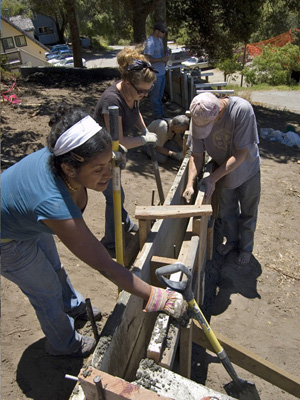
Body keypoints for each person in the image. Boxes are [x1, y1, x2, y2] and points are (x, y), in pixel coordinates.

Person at [1, 105, 187, 358]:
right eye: (98, 169)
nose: (109, 174)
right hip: (6, 241)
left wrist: (108, 159)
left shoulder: (64, 156)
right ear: (68, 169)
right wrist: (155, 295)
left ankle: (74, 306)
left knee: (55, 268)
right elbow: (104, 264)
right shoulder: (54, 203)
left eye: (109, 163)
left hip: (23, 218)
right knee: (46, 291)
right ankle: (63, 344)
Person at [182, 92, 261, 266]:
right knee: (227, 211)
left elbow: (240, 154)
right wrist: (189, 183)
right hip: (223, 172)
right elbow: (196, 155)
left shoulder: (241, 111)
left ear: (218, 113)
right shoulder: (199, 114)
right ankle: (232, 242)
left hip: (248, 170)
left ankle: (246, 248)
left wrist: (212, 179)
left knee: (248, 212)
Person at [94, 47, 158, 251]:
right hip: (100, 155)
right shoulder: (112, 100)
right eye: (142, 91)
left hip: (113, 154)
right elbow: (118, 141)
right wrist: (143, 139)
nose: (145, 95)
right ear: (128, 83)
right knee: (114, 196)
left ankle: (126, 223)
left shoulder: (133, 94)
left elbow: (136, 110)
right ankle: (111, 242)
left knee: (118, 193)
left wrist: (145, 129)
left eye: (149, 90)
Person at [144, 22, 169, 119]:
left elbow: (160, 54)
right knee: (155, 97)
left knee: (160, 96)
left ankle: (161, 114)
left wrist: (165, 54)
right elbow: (147, 58)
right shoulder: (150, 42)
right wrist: (161, 59)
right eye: (162, 32)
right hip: (155, 74)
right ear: (156, 31)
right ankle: (158, 116)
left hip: (162, 72)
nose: (163, 34)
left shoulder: (159, 40)